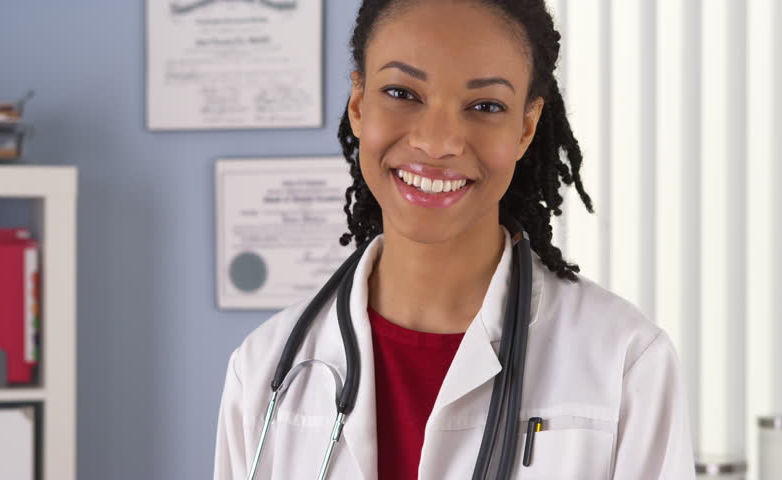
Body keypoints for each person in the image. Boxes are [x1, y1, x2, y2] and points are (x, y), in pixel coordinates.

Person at [213, 0, 696, 478]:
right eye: (403, 93)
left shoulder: (626, 362)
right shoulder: (262, 369)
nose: (438, 141)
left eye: (485, 106)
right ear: (358, 104)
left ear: (526, 127)